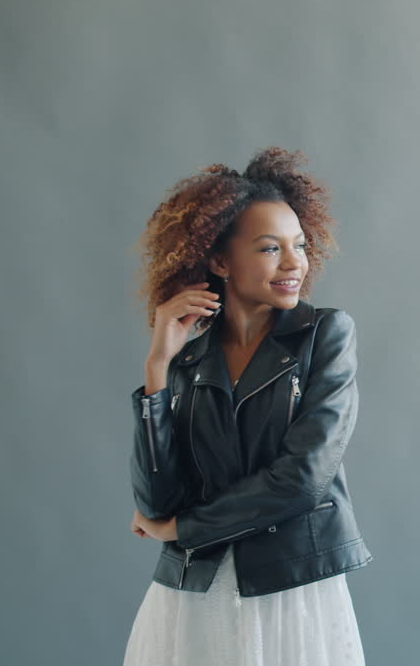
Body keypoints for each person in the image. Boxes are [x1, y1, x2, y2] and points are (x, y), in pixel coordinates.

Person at [124, 147, 371, 665]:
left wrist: (183, 529)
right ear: (219, 261)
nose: (294, 263)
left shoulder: (325, 336)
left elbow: (302, 480)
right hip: (193, 593)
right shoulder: (188, 359)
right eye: (269, 248)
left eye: (299, 245)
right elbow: (156, 503)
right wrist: (156, 371)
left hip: (289, 587)